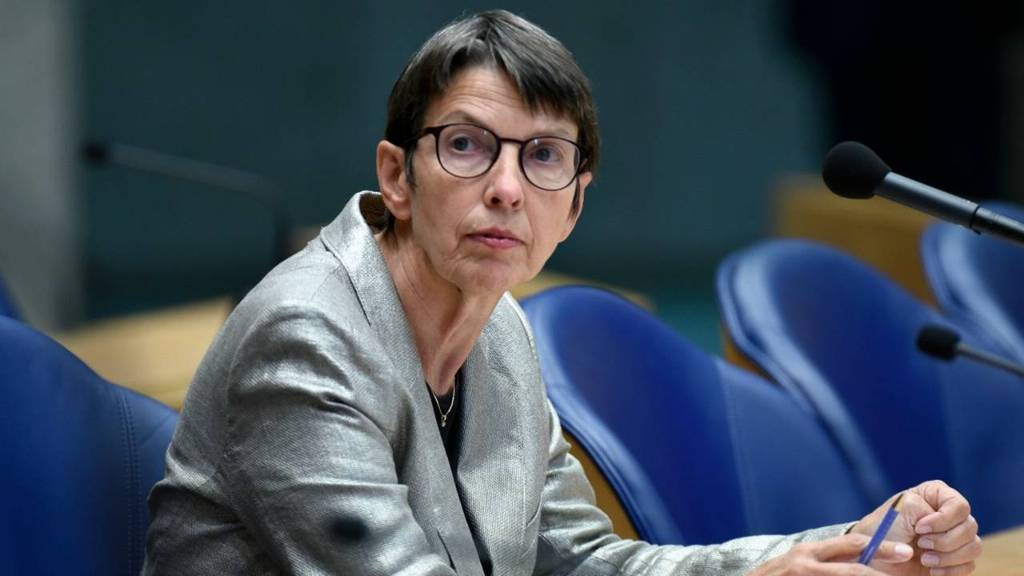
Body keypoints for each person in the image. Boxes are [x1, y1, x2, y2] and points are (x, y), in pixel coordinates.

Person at [142, 10, 982, 575]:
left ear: (575, 206)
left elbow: (583, 561)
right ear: (396, 176)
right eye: (467, 146)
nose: (508, 189)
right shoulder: (306, 337)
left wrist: (839, 548)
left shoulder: (500, 331)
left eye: (543, 156)